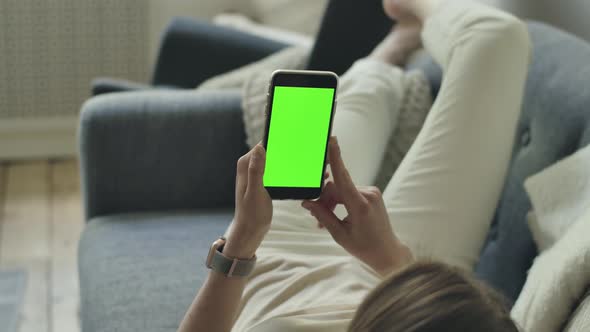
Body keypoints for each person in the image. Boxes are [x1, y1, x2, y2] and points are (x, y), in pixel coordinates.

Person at [178, 0, 531, 331]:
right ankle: (387, 54)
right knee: (497, 40)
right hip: (406, 288)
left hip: (275, 254)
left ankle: (386, 53)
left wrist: (242, 239)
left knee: (491, 40)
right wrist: (391, 257)